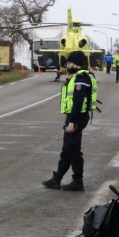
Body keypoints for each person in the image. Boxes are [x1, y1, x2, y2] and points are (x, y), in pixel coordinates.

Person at [42, 50, 98, 191]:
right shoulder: (78, 77)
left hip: (77, 116)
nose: (67, 65)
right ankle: (57, 179)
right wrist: (68, 79)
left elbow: (77, 101)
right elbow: (72, 95)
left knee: (73, 150)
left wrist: (72, 122)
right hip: (76, 116)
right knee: (67, 149)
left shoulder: (81, 78)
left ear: (77, 63)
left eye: (70, 62)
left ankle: (78, 181)